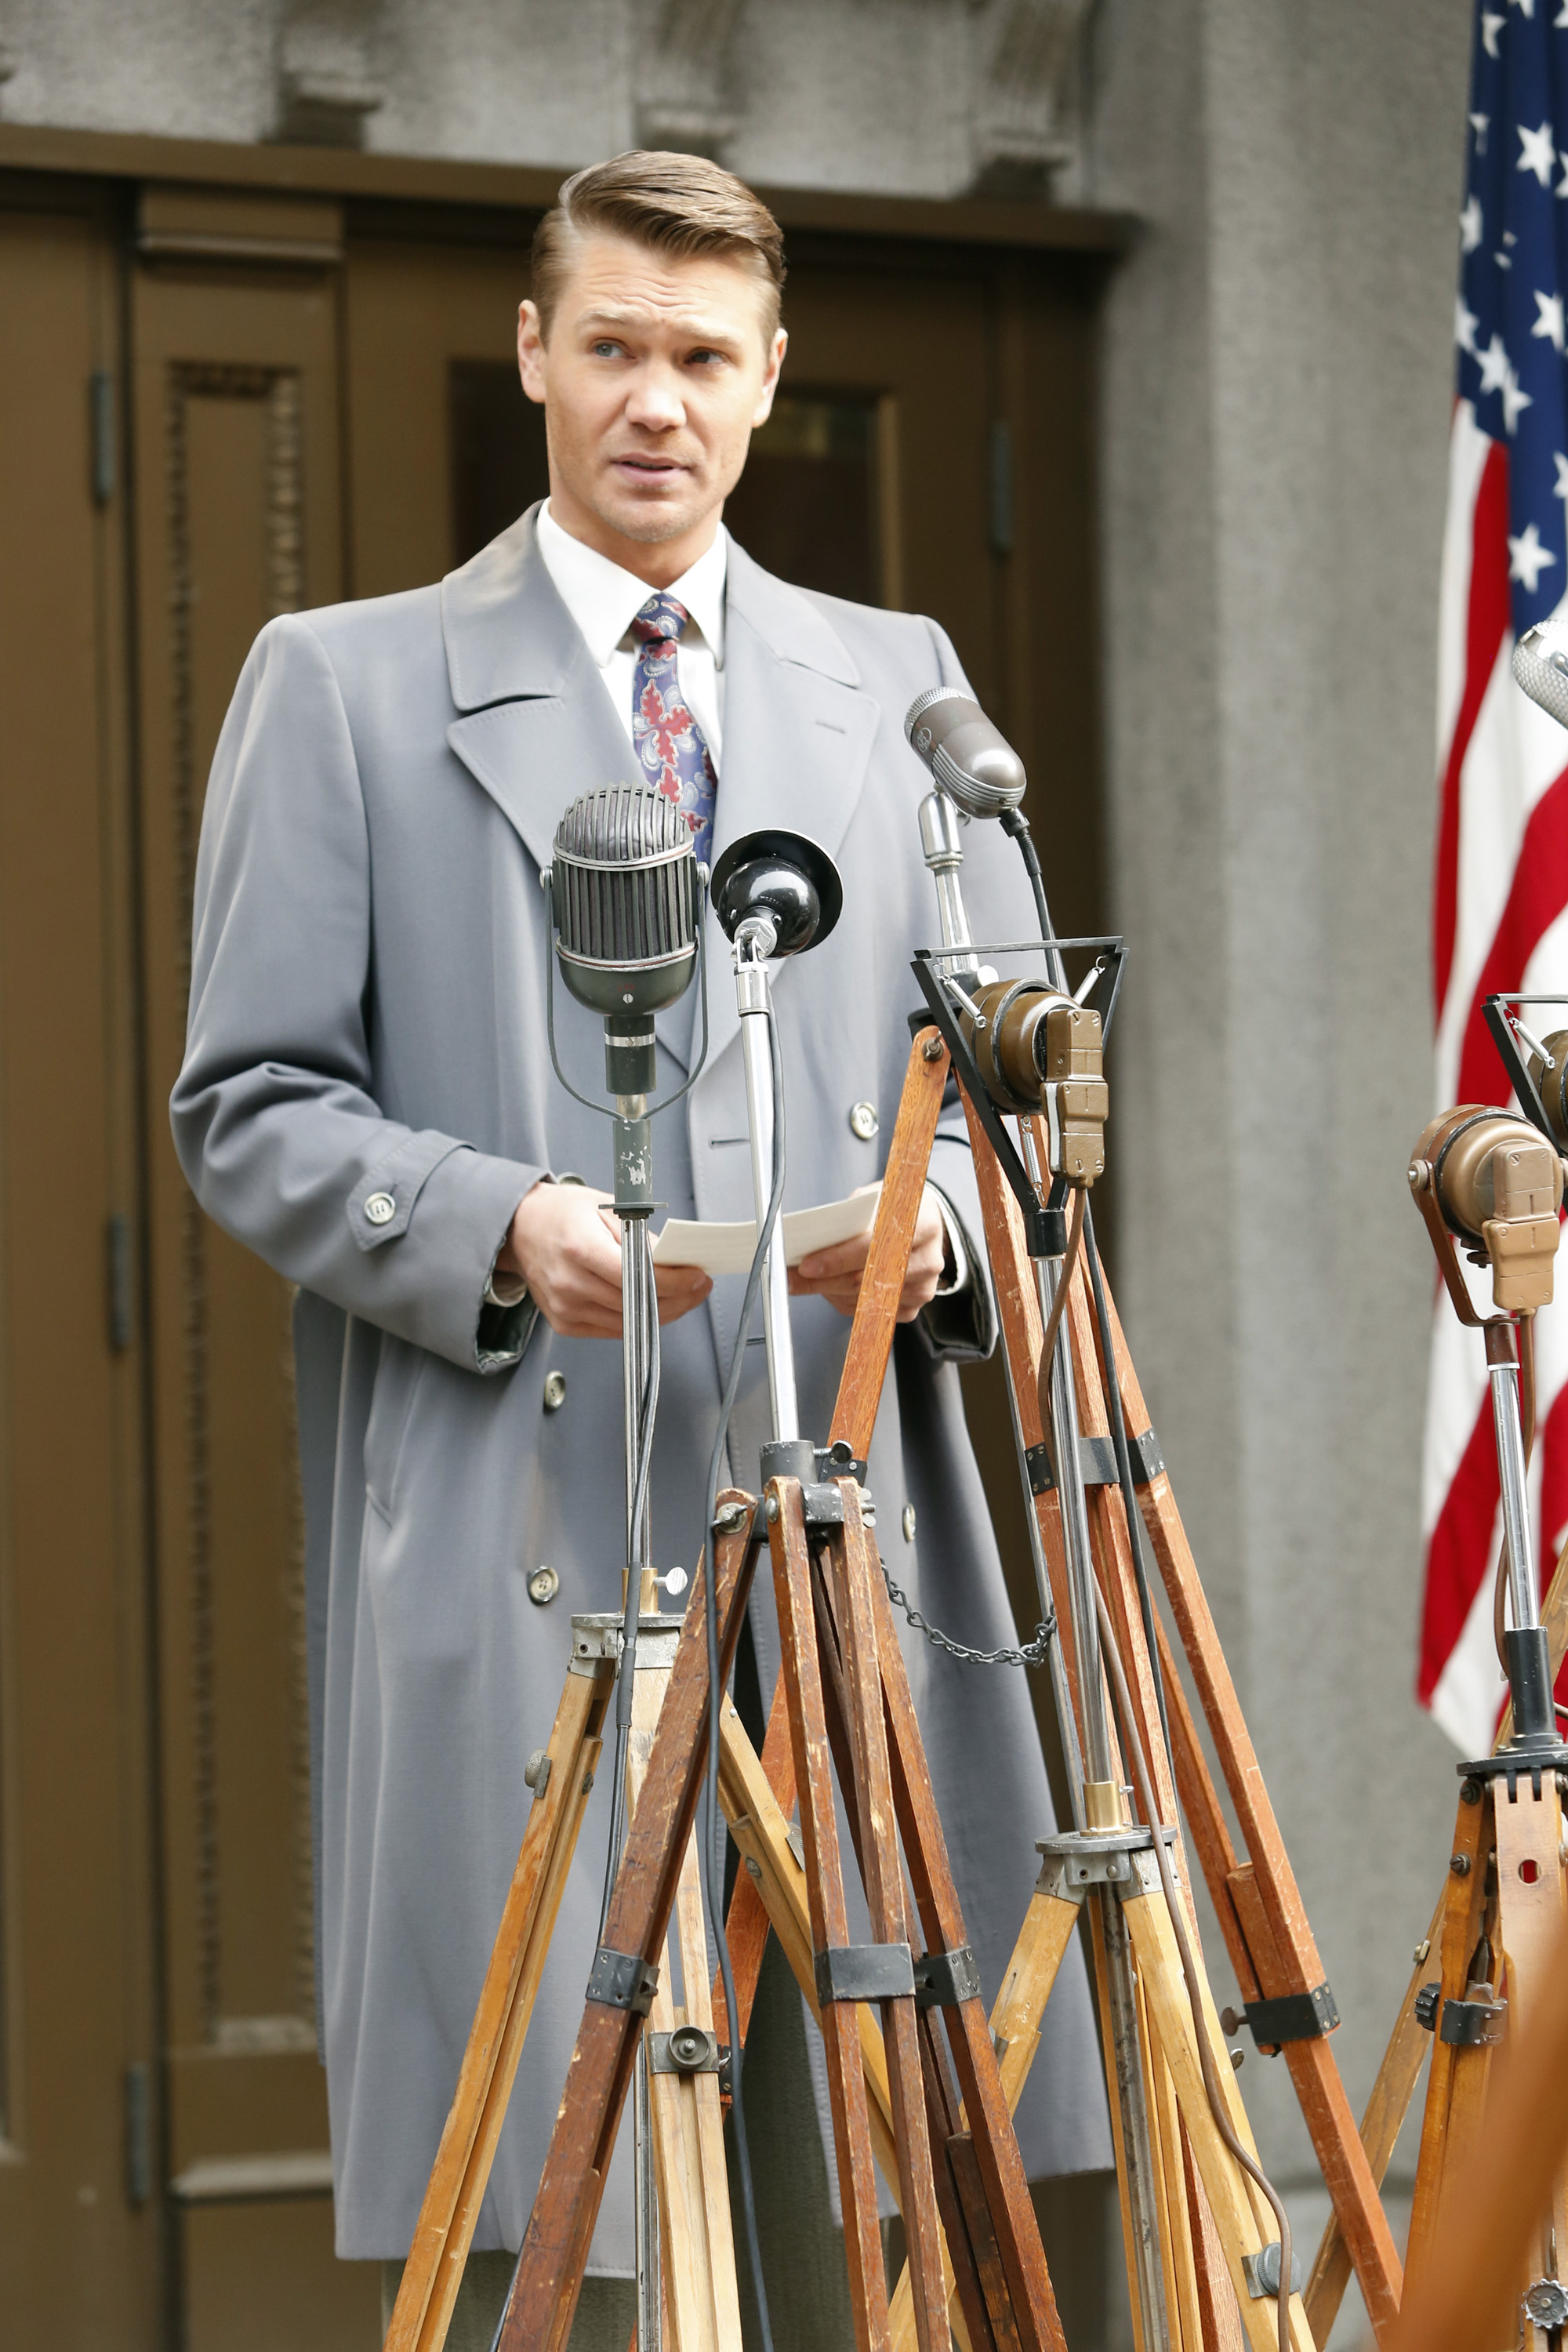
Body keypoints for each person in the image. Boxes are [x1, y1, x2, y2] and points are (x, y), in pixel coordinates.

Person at [172, 149, 1109, 2351]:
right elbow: (248, 1107)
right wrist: (502, 1224)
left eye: (702, 356)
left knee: (870, 2211)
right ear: (535, 354)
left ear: (772, 378)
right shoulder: (345, 684)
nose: (655, 403)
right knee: (572, 2239)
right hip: (534, 1537)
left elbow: (1011, 1099)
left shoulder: (906, 690)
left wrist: (926, 1240)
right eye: (612, 348)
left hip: (846, 1550)